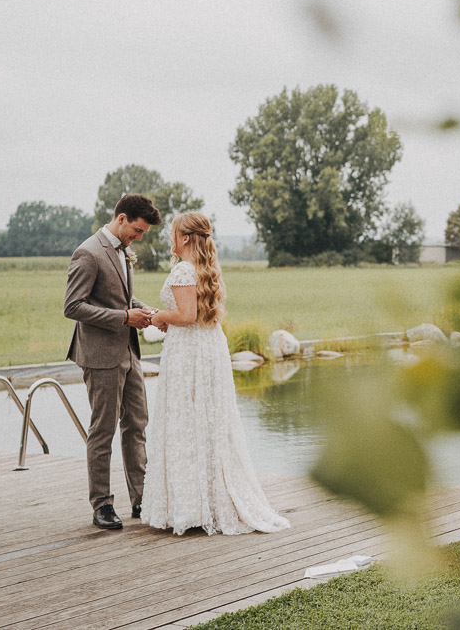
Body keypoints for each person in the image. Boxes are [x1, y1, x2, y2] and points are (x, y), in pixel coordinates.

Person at [140, 212, 290, 535]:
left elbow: (186, 315)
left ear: (184, 238)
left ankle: (192, 507)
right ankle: (206, 500)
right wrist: (169, 316)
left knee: (186, 419)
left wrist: (158, 316)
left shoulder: (184, 269)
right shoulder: (207, 268)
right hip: (208, 346)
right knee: (207, 420)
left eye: (173, 234)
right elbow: (194, 314)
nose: (170, 239)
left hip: (189, 353)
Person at [64, 192, 161, 530]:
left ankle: (141, 499)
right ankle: (102, 504)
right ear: (121, 219)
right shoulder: (88, 253)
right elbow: (73, 306)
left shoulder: (122, 250)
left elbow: (121, 296)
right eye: (137, 230)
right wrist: (124, 317)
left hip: (129, 352)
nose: (139, 238)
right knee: (102, 430)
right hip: (101, 356)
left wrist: (143, 309)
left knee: (137, 423)